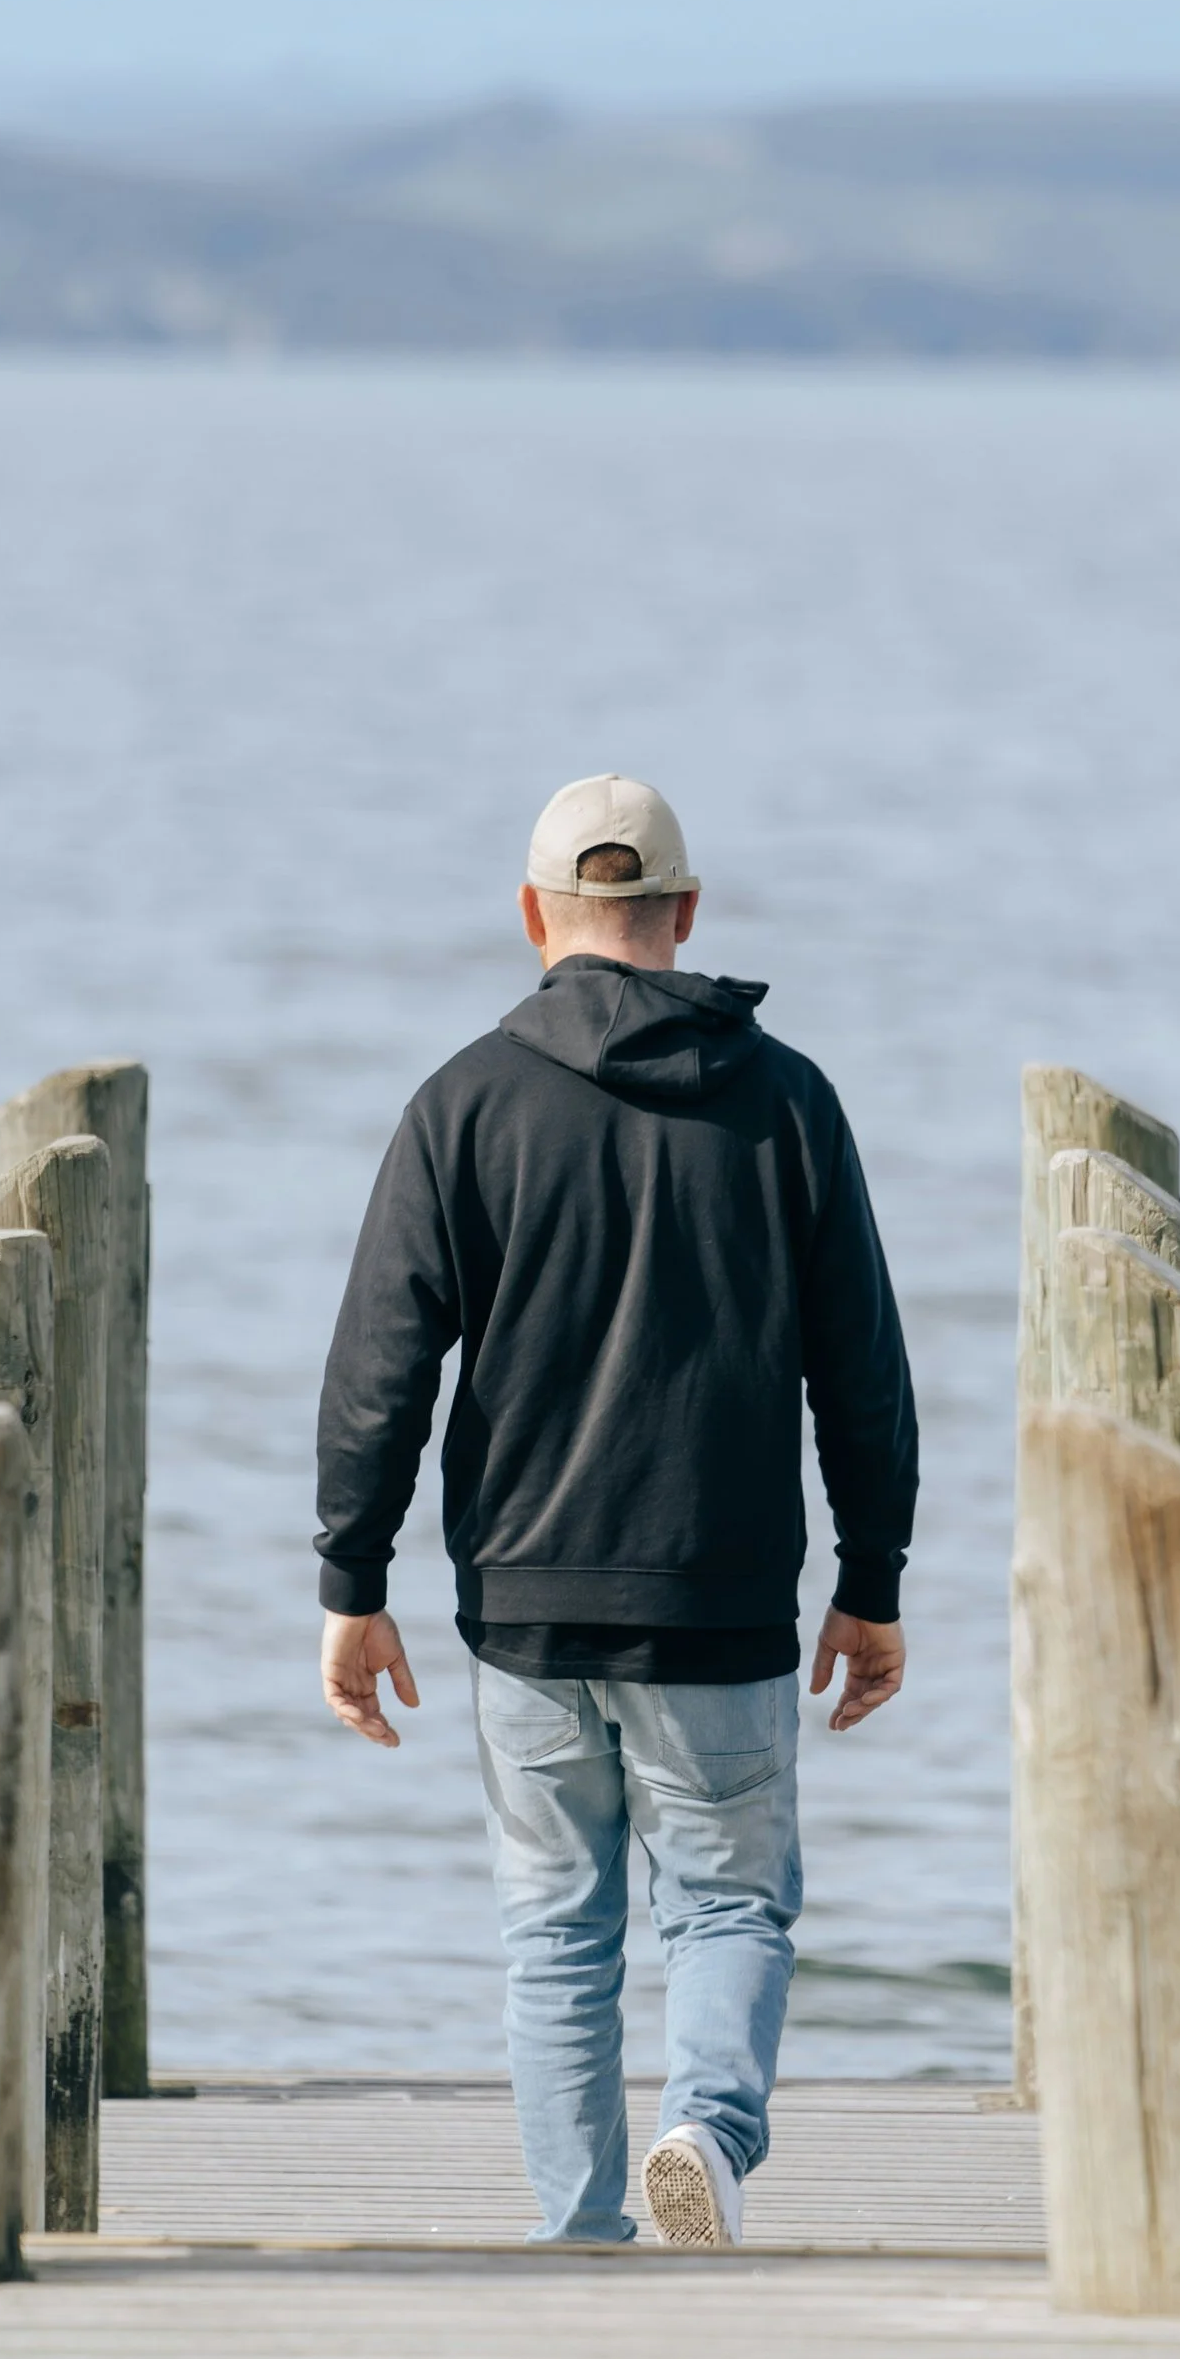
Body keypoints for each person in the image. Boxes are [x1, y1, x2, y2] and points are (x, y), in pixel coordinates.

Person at [315, 772, 918, 2248]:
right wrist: (874, 1574)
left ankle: (579, 2231)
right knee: (724, 1907)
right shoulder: (787, 1102)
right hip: (716, 1597)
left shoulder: (463, 1102)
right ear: (687, 915)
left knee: (555, 1930)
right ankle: (702, 2136)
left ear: (536, 919)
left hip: (522, 1599)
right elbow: (865, 1367)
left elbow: (379, 1364)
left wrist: (352, 1578)